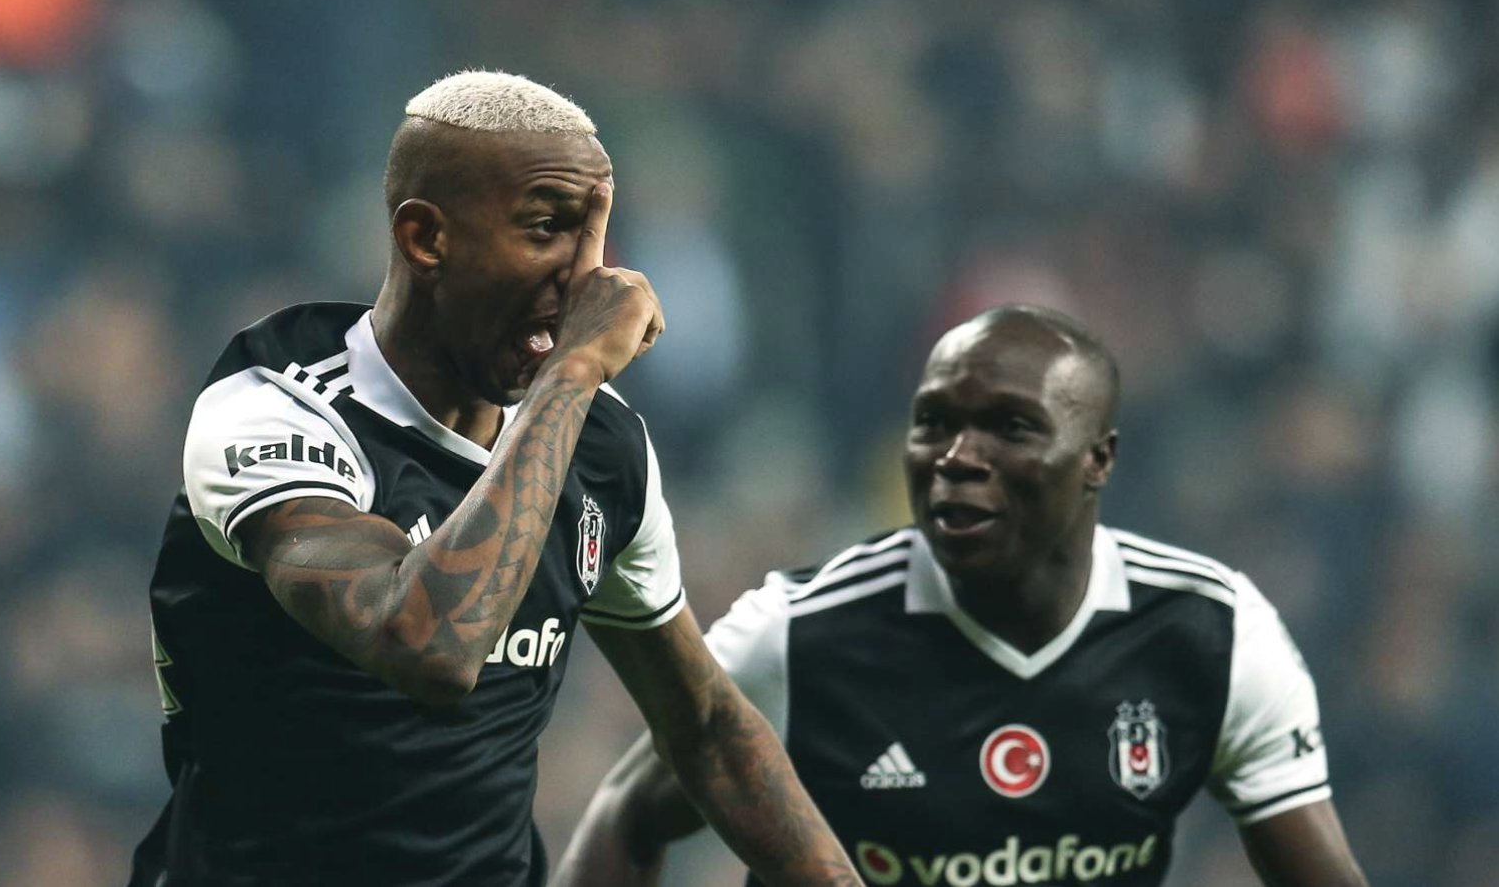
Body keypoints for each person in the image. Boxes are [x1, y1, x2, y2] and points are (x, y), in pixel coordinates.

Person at [129, 70, 860, 887]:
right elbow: (428, 644)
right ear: (425, 239)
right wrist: (571, 373)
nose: (588, 277)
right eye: (547, 228)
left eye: (596, 235)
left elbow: (708, 731)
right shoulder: (278, 408)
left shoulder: (599, 444)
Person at [554, 306, 1368, 887]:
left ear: (1098, 458)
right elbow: (628, 814)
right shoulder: (799, 636)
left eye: (1011, 428)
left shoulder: (1211, 633)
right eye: (934, 423)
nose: (956, 457)